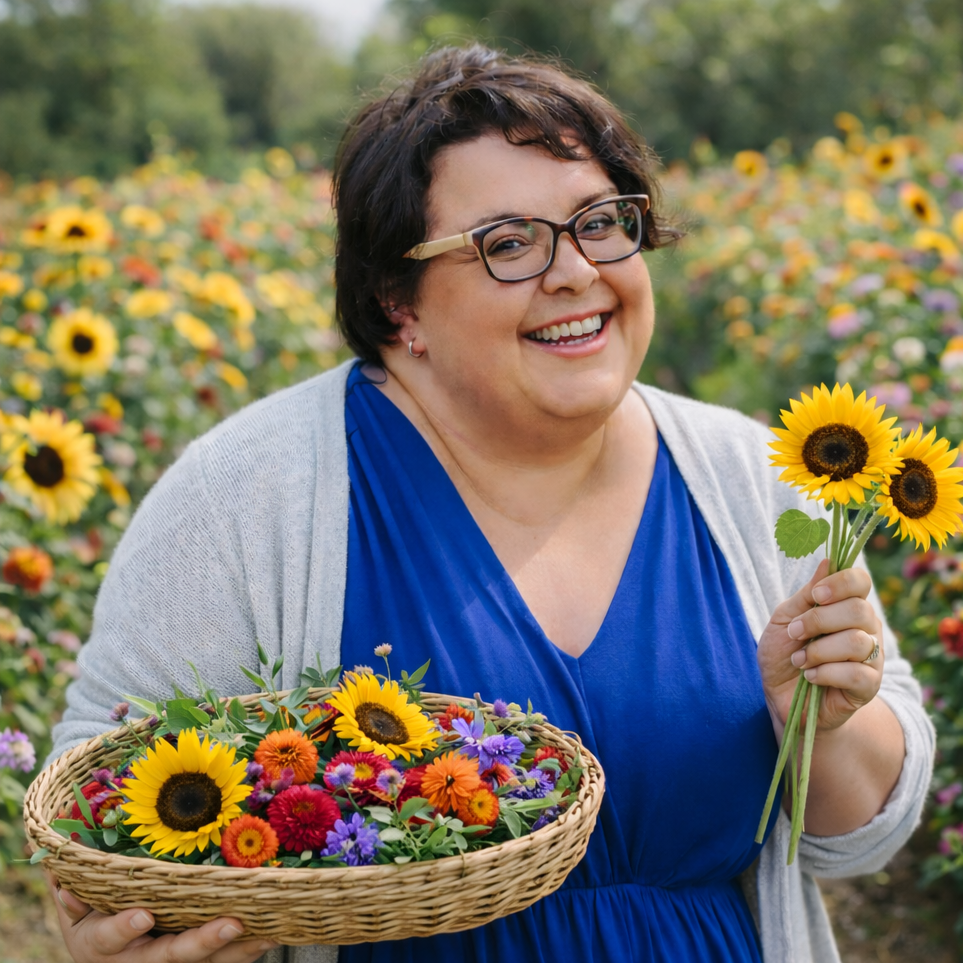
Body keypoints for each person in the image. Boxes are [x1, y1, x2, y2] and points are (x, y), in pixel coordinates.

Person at [47, 45, 933, 963]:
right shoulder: (243, 498)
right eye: (508, 243)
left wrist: (819, 722)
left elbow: (863, 834)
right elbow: (97, 806)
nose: (576, 271)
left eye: (600, 222)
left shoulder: (751, 475)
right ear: (398, 301)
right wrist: (122, 927)